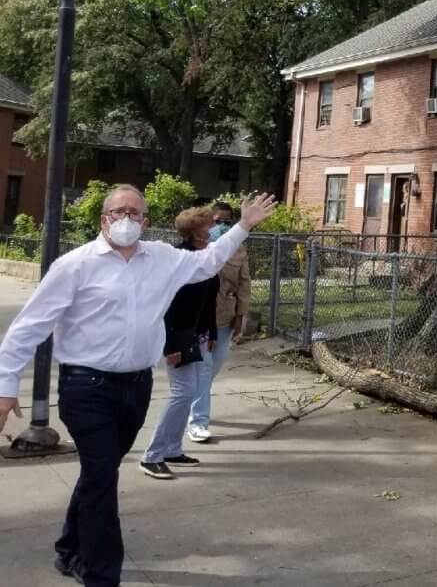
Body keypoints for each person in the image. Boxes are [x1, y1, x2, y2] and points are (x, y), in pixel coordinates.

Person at [0, 185, 277, 587]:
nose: (126, 219)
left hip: (137, 388)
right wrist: (6, 387)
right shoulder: (74, 266)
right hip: (85, 387)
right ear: (103, 219)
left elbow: (207, 263)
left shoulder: (162, 259)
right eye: (118, 212)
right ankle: (101, 574)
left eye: (135, 213)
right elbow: (28, 329)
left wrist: (244, 226)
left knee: (101, 471)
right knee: (102, 476)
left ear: (146, 222)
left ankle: (68, 549)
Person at [138, 207, 221, 479]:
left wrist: (211, 333)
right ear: (196, 230)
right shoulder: (178, 257)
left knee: (190, 389)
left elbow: (209, 299)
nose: (214, 229)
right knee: (182, 393)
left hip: (197, 335)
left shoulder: (206, 256)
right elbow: (167, 306)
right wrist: (170, 344)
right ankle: (152, 455)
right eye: (209, 225)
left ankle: (172, 449)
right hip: (177, 335)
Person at [186, 200, 250, 443]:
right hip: (200, 319)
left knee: (213, 366)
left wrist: (241, 315)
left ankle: (189, 402)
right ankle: (198, 421)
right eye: (216, 221)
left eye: (226, 222)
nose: (221, 226)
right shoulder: (197, 246)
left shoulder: (238, 249)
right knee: (202, 368)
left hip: (224, 317)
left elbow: (245, 283)